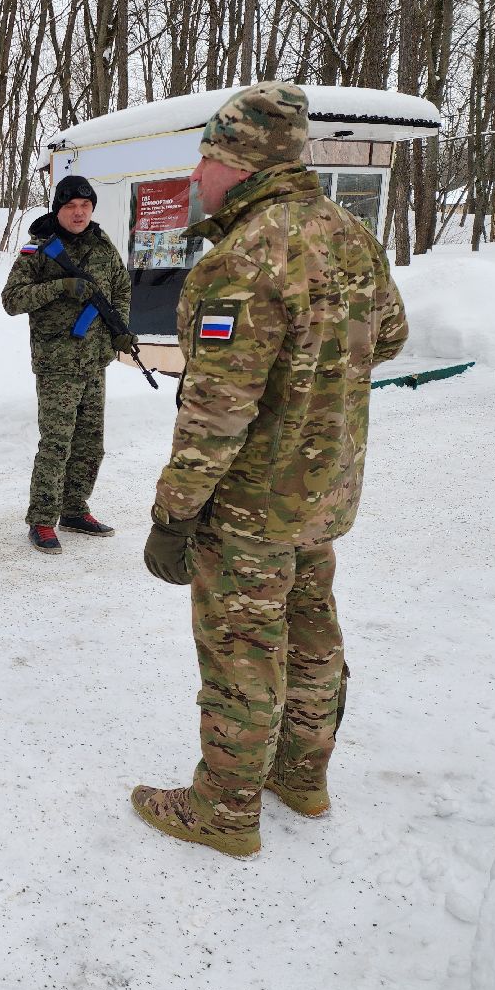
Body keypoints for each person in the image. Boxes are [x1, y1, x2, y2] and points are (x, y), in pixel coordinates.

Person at [132, 82, 409, 857]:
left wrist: (173, 514)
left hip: (252, 505)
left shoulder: (243, 257)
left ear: (242, 163)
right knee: (313, 633)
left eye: (207, 157)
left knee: (242, 649)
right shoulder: (348, 233)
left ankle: (224, 809)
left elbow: (217, 409)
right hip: (323, 494)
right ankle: (303, 776)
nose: (197, 173)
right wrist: (318, 377)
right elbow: (387, 335)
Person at [1, 175, 134, 554]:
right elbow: (11, 300)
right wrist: (59, 287)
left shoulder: (104, 246)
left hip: (95, 361)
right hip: (57, 363)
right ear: (57, 209)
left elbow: (120, 289)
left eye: (85, 207)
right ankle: (42, 520)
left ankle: (74, 509)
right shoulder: (38, 250)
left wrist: (119, 329)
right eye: (70, 207)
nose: (78, 213)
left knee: (90, 443)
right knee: (56, 444)